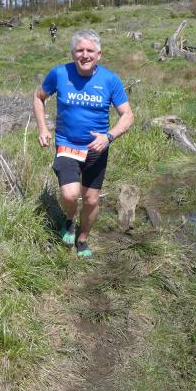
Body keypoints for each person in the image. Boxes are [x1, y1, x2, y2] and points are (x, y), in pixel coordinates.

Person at [33, 29, 134, 257]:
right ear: (72, 53)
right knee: (70, 194)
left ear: (99, 54)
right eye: (79, 50)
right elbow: (39, 97)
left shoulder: (110, 80)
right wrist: (43, 128)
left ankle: (83, 238)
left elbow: (127, 115)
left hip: (97, 148)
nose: (85, 55)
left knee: (90, 199)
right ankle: (70, 219)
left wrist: (108, 136)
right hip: (67, 144)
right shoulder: (59, 74)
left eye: (90, 50)